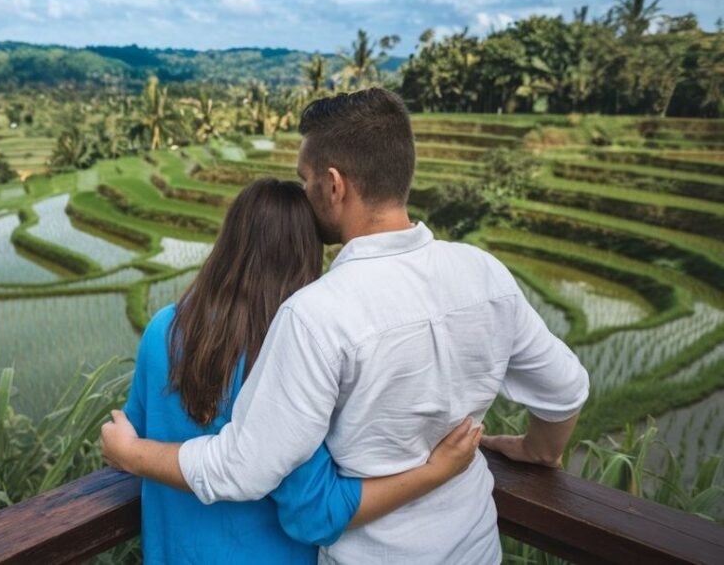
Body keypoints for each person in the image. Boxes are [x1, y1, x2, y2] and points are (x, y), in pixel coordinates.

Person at [103, 88, 590, 564]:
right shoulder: (484, 272)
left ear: (334, 186)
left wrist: (133, 454)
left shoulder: (314, 313)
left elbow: (243, 470)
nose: (305, 191)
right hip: (475, 546)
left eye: (305, 177)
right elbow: (566, 390)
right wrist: (536, 451)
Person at [122, 177, 483, 564]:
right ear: (307, 254)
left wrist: (125, 450)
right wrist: (435, 471)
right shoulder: (291, 355)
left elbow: (137, 430)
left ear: (229, 243)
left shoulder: (165, 328)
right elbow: (315, 514)